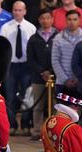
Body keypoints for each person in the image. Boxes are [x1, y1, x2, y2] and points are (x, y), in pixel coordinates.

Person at [0, 1, 36, 135]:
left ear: (25, 11)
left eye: (20, 10)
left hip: (26, 65)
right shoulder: (5, 28)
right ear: (12, 11)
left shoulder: (31, 27)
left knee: (26, 96)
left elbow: (33, 48)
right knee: (10, 96)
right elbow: (2, 48)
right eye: (15, 10)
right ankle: (12, 124)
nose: (17, 12)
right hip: (11, 65)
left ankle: (26, 125)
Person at [27, 8, 58, 141]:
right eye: (42, 18)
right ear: (39, 20)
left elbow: (59, 56)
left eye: (48, 18)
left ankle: (55, 130)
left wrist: (51, 71)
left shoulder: (59, 36)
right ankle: (37, 131)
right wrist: (42, 72)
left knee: (55, 105)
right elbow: (30, 59)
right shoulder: (33, 38)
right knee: (38, 106)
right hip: (38, 77)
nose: (45, 21)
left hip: (56, 76)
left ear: (52, 19)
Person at [51, 10, 82, 96]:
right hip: (62, 83)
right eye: (69, 19)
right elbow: (55, 60)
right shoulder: (58, 38)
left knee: (79, 109)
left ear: (79, 20)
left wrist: (80, 78)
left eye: (75, 19)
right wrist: (65, 79)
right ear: (66, 21)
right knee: (62, 109)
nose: (72, 22)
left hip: (81, 83)